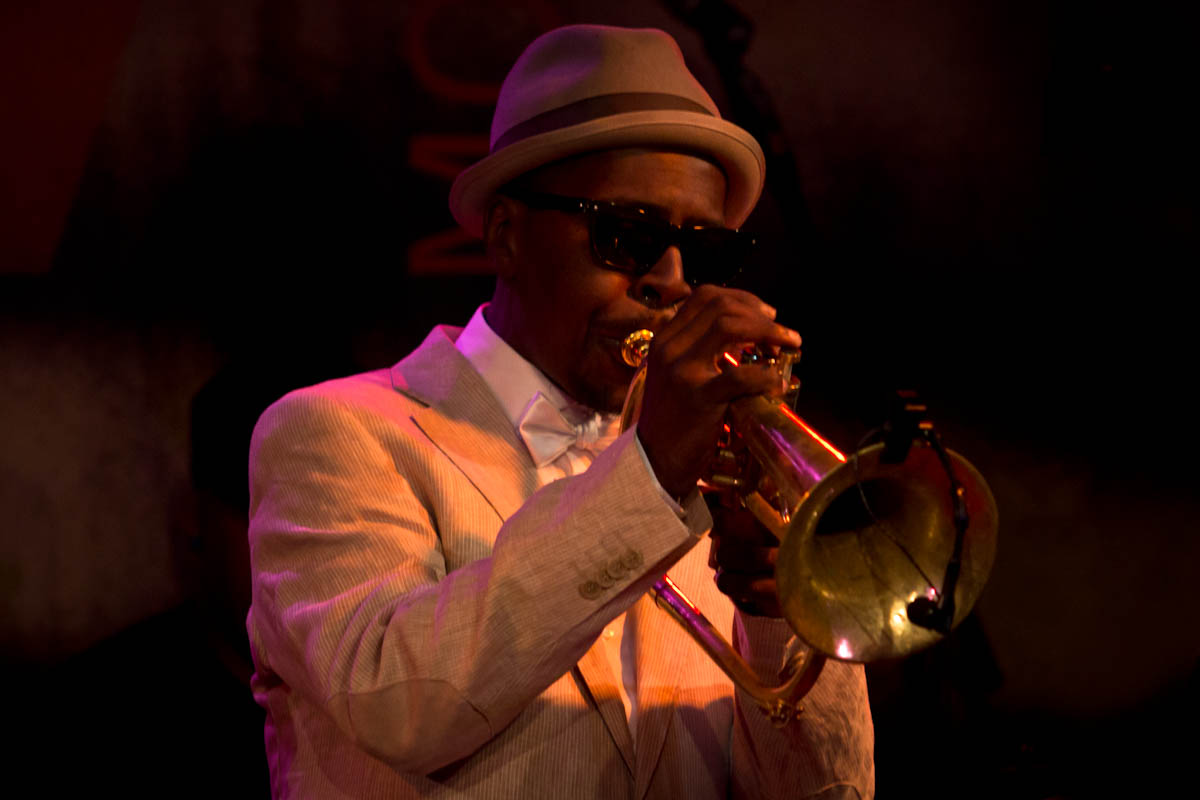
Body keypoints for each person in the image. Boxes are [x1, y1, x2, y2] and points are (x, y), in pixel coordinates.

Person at [246, 24, 874, 799]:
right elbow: (396, 704)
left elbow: (832, 793)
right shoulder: (337, 432)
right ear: (507, 235)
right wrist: (649, 474)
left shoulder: (712, 474)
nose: (673, 281)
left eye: (706, 252)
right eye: (627, 235)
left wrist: (780, 612)